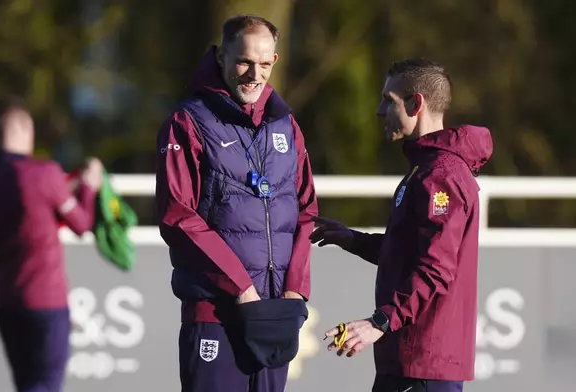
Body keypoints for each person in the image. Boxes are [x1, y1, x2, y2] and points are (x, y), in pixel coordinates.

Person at [156, 14, 318, 392]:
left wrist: (295, 290)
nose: (254, 75)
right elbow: (178, 215)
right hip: (215, 312)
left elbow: (306, 210)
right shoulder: (188, 121)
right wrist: (241, 287)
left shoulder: (286, 125)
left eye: (264, 64)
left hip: (275, 312)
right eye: (244, 61)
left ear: (275, 61)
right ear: (221, 56)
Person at [311, 59, 493, 392]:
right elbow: (410, 253)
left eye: (388, 101)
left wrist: (379, 321)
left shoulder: (441, 176)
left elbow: (435, 268)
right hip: (409, 360)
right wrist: (351, 239)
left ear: (415, 104)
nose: (380, 111)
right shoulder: (423, 169)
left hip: (423, 364)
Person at [0, 96, 103, 392]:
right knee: (45, 384)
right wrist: (89, 187)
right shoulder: (45, 172)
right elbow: (82, 224)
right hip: (46, 300)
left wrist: (5, 242)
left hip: (6, 301)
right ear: (24, 128)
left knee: (26, 384)